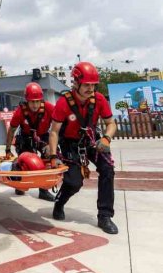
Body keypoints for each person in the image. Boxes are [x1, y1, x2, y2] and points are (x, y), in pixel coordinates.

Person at [46, 62, 119, 234]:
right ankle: (60, 202)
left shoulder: (99, 99)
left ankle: (105, 216)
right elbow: (54, 132)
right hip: (69, 144)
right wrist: (53, 156)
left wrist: (107, 138)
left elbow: (111, 123)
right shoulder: (63, 103)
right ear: (76, 83)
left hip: (91, 140)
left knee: (108, 169)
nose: (90, 89)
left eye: (93, 85)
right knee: (74, 183)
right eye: (87, 85)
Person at [5, 82, 56, 201]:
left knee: (49, 159)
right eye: (32, 101)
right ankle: (21, 184)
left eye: (37, 101)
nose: (35, 105)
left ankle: (44, 190)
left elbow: (59, 125)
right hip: (25, 138)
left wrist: (53, 146)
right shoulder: (20, 111)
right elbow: (11, 130)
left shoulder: (49, 108)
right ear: (27, 100)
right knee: (25, 162)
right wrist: (8, 149)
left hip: (43, 137)